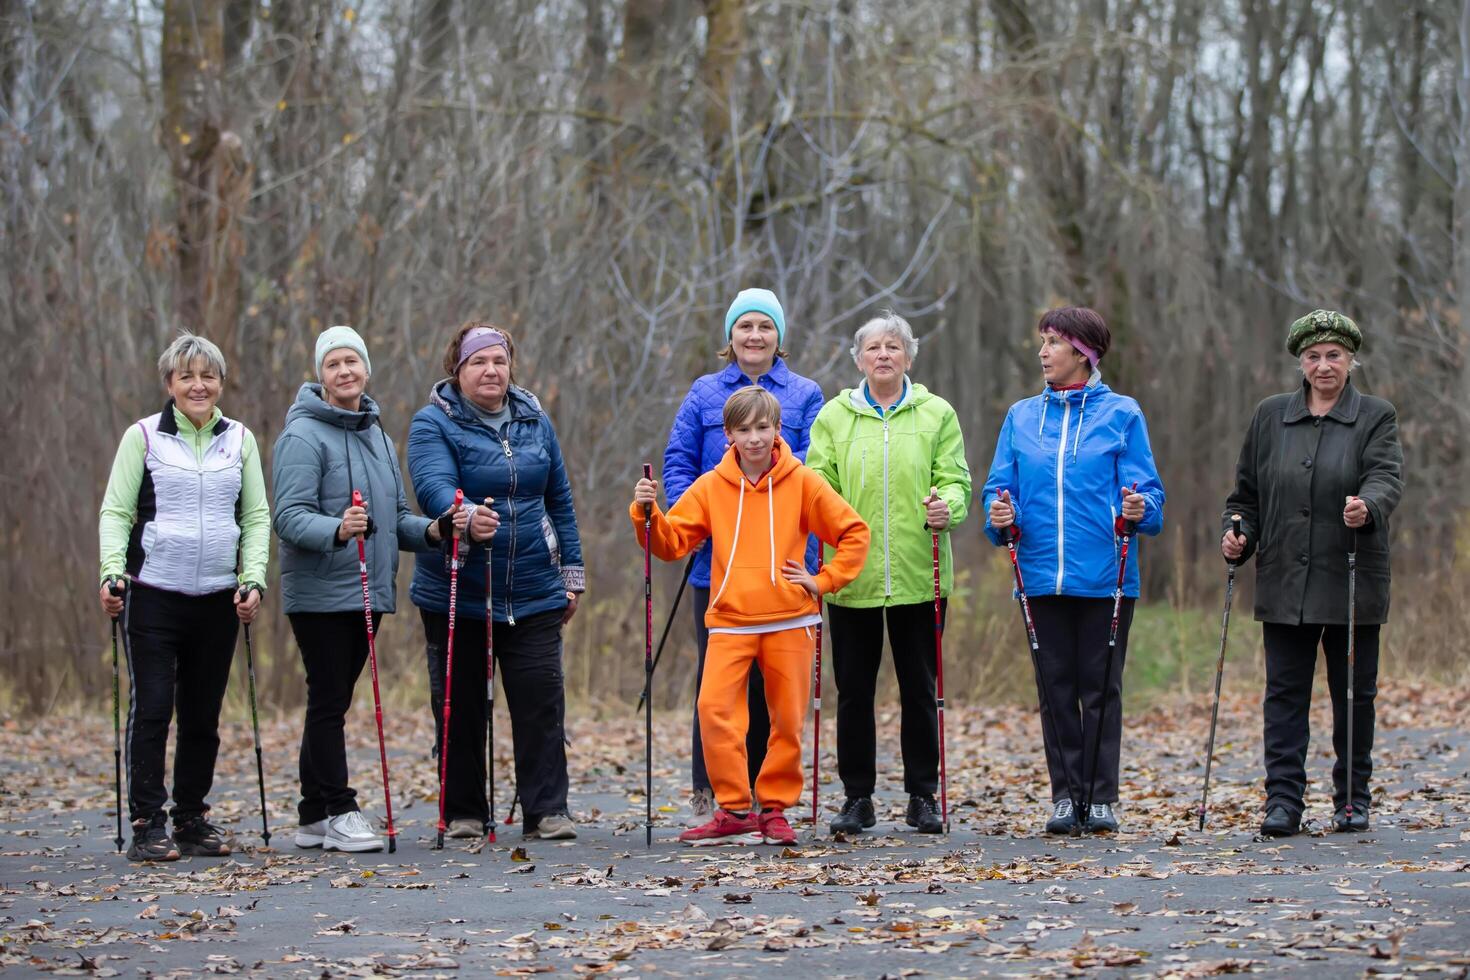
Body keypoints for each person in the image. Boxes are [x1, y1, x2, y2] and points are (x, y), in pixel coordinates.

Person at [634, 386, 869, 846]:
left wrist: (822, 580)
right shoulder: (710, 486)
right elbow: (669, 544)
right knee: (714, 709)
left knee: (785, 719)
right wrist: (646, 512)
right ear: (728, 435)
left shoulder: (803, 481)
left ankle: (775, 809)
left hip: (789, 620)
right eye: (744, 429)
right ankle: (735, 809)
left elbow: (854, 532)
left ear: (778, 429)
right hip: (730, 618)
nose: (756, 438)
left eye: (763, 428)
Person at [273, 326, 468, 853]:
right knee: (330, 698)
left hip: (369, 589)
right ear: (320, 375)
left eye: (351, 362)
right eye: (333, 363)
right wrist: (336, 529)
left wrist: (434, 530)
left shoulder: (378, 436)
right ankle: (339, 807)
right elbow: (288, 517)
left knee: (328, 697)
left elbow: (398, 516)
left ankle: (313, 813)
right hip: (320, 590)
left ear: (365, 369)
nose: (344, 372)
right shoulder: (301, 436)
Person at [981, 307, 1165, 836]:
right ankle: (1066, 797)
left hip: (1106, 575)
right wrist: (1000, 514)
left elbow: (1149, 496)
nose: (1043, 352)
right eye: (1042, 342)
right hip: (1039, 576)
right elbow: (1000, 488)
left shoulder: (1122, 414)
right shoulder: (1020, 417)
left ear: (1084, 354)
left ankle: (1101, 798)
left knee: (1101, 688)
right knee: (1054, 688)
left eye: (1054, 343)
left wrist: (1138, 509)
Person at [1222, 310, 1402, 837]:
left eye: (1334, 356)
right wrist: (1238, 536)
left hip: (1351, 575)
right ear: (1301, 363)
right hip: (1284, 578)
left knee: (1354, 694)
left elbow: (1386, 478)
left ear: (1350, 361)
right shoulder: (1270, 416)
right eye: (1314, 357)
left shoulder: (1375, 415)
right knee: (1284, 695)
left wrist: (1367, 507)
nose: (1324, 366)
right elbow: (1245, 498)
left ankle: (1351, 799)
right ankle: (1283, 801)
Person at [97, 333, 270, 861]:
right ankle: (148, 822)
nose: (199, 385)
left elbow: (256, 516)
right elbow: (116, 512)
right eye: (187, 376)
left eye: (208, 376)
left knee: (202, 715)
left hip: (219, 598)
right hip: (153, 596)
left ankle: (191, 819)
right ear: (170, 383)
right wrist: (111, 572)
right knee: (153, 709)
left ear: (220, 383)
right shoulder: (143, 437)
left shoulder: (239, 439)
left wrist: (253, 578)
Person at [408, 322, 583, 841]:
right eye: (478, 362)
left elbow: (561, 502)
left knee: (541, 701)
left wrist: (571, 575)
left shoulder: (535, 419)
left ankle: (547, 810)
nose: (491, 370)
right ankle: (463, 810)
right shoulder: (431, 423)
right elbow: (432, 484)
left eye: (499, 361)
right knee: (459, 704)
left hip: (533, 588)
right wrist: (460, 515)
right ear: (457, 371)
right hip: (458, 590)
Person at [662, 288, 825, 825]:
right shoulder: (705, 393)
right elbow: (679, 461)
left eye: (765, 327)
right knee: (718, 685)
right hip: (718, 565)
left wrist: (814, 566)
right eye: (744, 327)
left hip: (782, 570)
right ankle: (714, 797)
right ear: (729, 337)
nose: (755, 336)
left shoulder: (804, 395)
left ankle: (765, 797)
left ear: (780, 336)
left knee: (773, 689)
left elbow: (817, 479)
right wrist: (700, 521)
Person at [805, 311, 971, 835]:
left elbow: (956, 480)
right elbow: (815, 483)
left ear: (909, 358)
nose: (883, 354)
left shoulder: (936, 412)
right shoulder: (834, 416)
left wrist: (946, 505)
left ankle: (922, 795)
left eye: (894, 346)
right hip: (852, 578)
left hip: (921, 574)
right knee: (853, 691)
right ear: (858, 359)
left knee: (919, 688)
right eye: (874, 347)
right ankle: (858, 797)